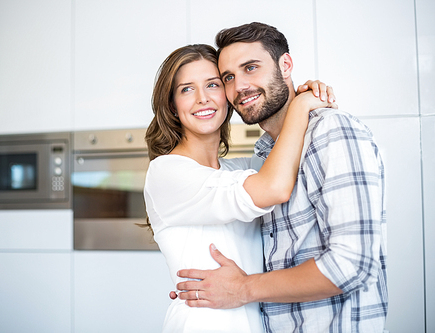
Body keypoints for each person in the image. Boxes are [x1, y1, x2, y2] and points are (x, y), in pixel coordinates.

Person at [175, 22, 388, 332]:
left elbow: (351, 265)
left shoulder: (332, 131)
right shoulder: (265, 155)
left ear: (285, 65)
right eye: (229, 78)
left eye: (251, 68)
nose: (239, 87)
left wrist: (243, 288)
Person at [144, 43, 336, 333]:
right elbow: (274, 188)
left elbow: (283, 157)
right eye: (186, 89)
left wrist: (299, 92)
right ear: (172, 104)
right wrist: (300, 105)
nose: (202, 99)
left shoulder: (238, 170)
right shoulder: (167, 172)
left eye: (213, 84)